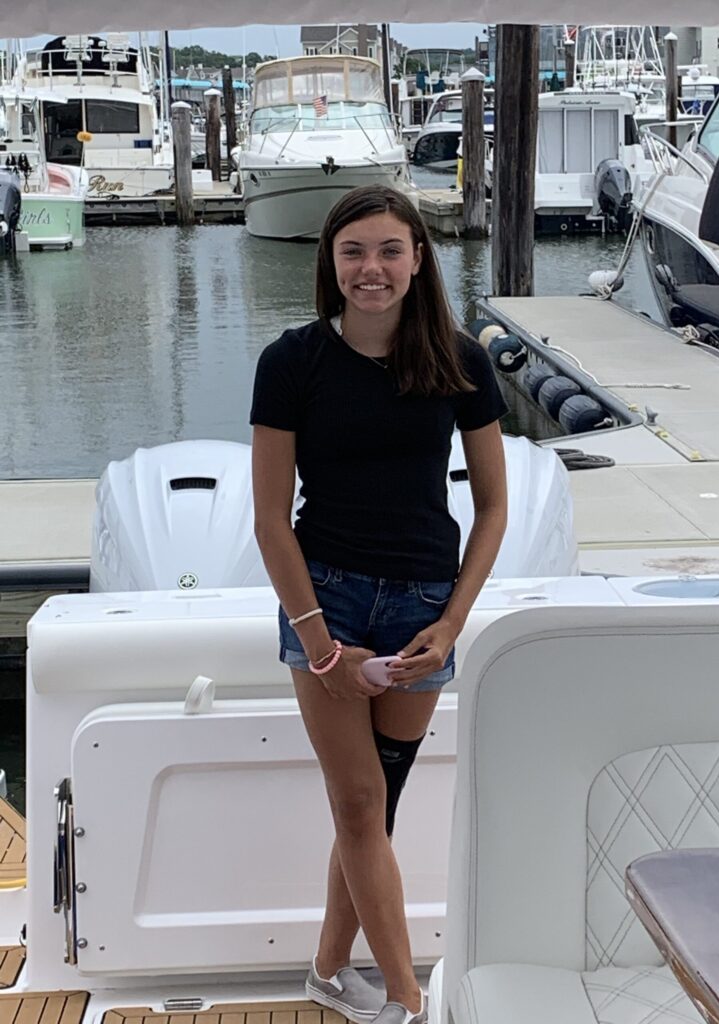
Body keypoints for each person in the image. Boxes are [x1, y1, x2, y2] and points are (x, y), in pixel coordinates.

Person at [250, 184, 508, 1024]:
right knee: (361, 805)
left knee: (374, 809)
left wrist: (452, 622)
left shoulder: (459, 360)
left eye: (390, 250)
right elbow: (270, 521)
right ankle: (406, 997)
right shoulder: (291, 363)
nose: (372, 268)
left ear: (418, 258)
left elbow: (493, 509)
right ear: (330, 262)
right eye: (354, 251)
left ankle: (329, 970)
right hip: (325, 604)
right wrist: (321, 646)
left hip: (422, 613)